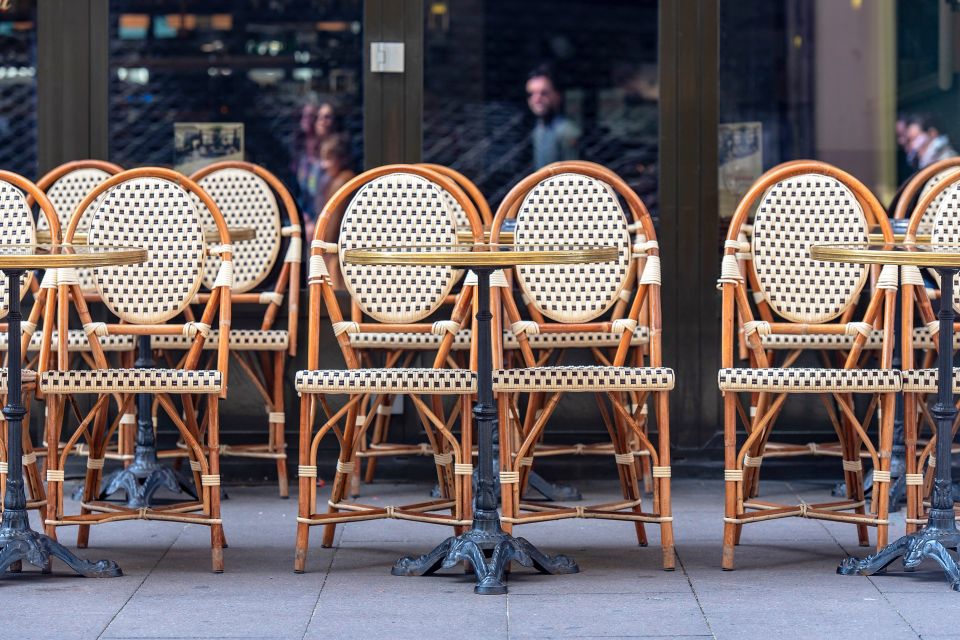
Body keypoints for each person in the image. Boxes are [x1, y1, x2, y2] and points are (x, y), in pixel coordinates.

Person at [316, 133, 356, 290]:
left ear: (342, 159)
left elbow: (331, 228)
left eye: (329, 159)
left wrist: (320, 243)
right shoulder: (334, 180)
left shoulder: (342, 181)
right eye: (322, 158)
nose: (324, 165)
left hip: (337, 255)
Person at [526, 65, 580, 168]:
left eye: (544, 93)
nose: (536, 99)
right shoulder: (538, 129)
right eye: (531, 94)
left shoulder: (567, 131)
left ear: (557, 95)